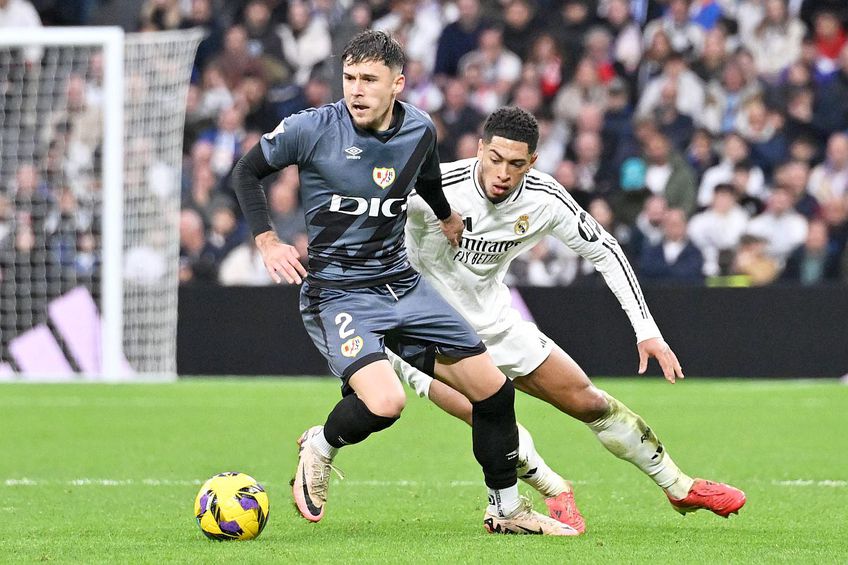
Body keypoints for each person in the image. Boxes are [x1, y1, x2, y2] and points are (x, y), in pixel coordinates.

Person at [230, 31, 573, 535]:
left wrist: (447, 216)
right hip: (339, 291)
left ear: (398, 84)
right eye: (349, 78)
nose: (356, 90)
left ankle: (505, 510)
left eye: (369, 80)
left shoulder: (419, 128)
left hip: (402, 285)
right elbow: (246, 171)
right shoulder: (311, 128)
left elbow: (427, 177)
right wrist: (266, 240)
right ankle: (320, 447)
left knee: (495, 393)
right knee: (386, 404)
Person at [389, 106, 746, 533]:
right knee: (484, 413)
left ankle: (678, 486)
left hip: (494, 321)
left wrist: (646, 329)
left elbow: (606, 250)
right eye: (495, 159)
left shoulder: (545, 198)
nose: (503, 173)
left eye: (516, 164)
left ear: (533, 162)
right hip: (422, 330)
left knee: (589, 401)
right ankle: (553, 487)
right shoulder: (433, 187)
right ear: (479, 149)